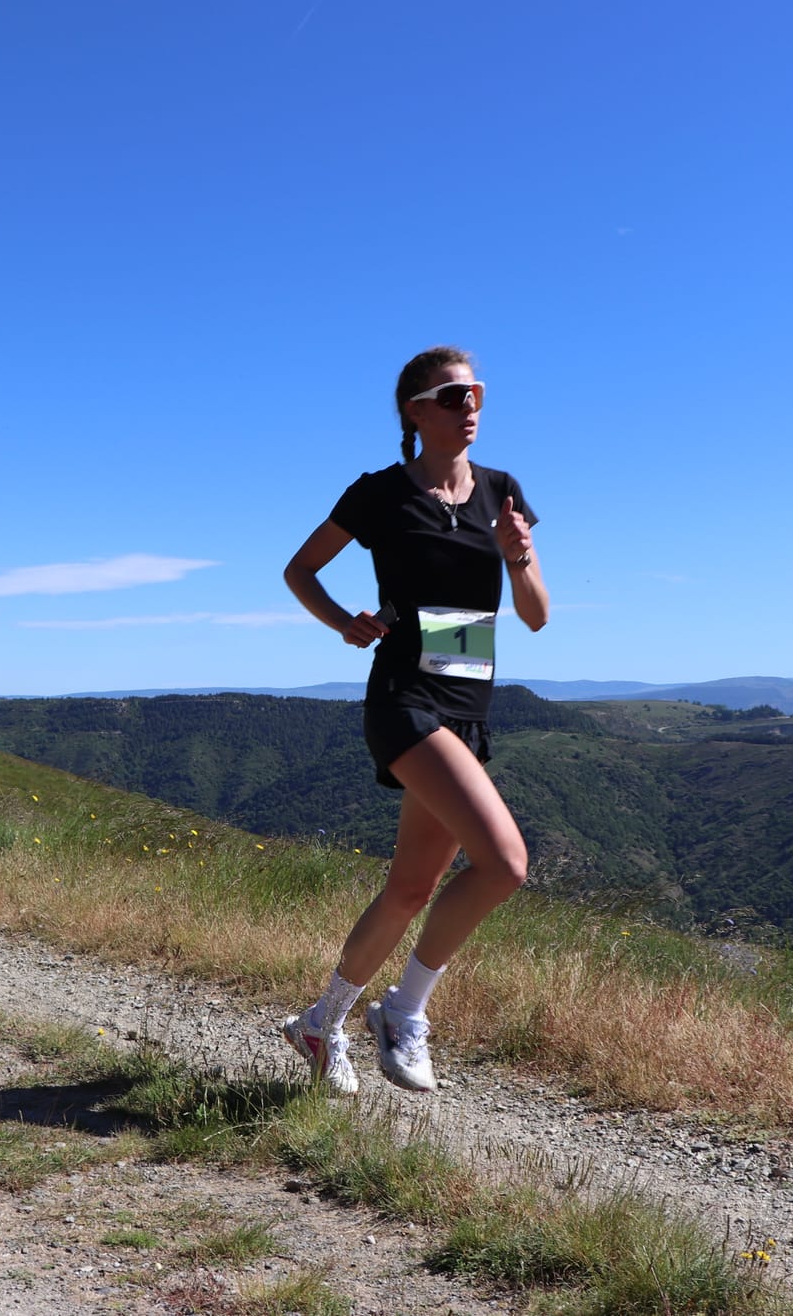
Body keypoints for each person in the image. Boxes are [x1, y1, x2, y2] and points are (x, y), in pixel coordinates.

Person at [279, 345, 549, 1093]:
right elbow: (300, 569)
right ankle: (404, 1010)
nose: (471, 406)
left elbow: (535, 617)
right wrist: (342, 622)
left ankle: (321, 1020)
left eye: (478, 393)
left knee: (407, 891)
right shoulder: (380, 494)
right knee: (505, 861)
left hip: (468, 707)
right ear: (415, 410)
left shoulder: (502, 491)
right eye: (454, 394)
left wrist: (519, 559)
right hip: (404, 697)